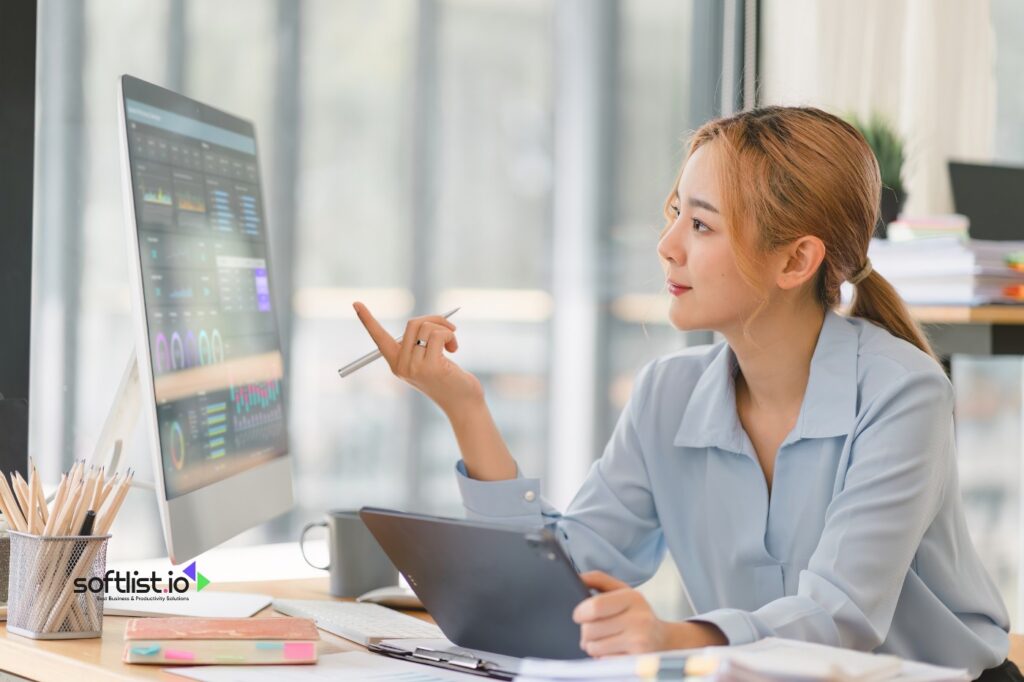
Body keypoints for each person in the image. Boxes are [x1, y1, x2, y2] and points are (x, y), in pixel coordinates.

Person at [354, 106, 1015, 680]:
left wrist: (672, 640)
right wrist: (464, 407)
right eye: (676, 215)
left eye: (701, 225)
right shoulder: (667, 393)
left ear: (796, 260)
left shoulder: (903, 394)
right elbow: (564, 576)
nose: (667, 247)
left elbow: (838, 615)